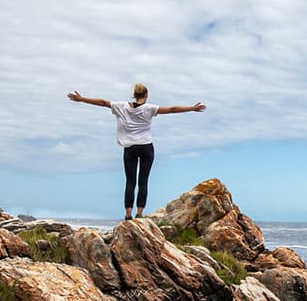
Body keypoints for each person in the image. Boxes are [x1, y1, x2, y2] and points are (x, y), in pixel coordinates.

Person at [67, 83, 206, 220]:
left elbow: (103, 102)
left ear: (134, 95)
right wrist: (192, 108)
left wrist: (82, 99)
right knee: (143, 181)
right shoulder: (150, 108)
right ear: (146, 95)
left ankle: (128, 214)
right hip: (146, 147)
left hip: (130, 148)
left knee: (130, 182)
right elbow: (173, 109)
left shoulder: (121, 106)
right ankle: (139, 214)